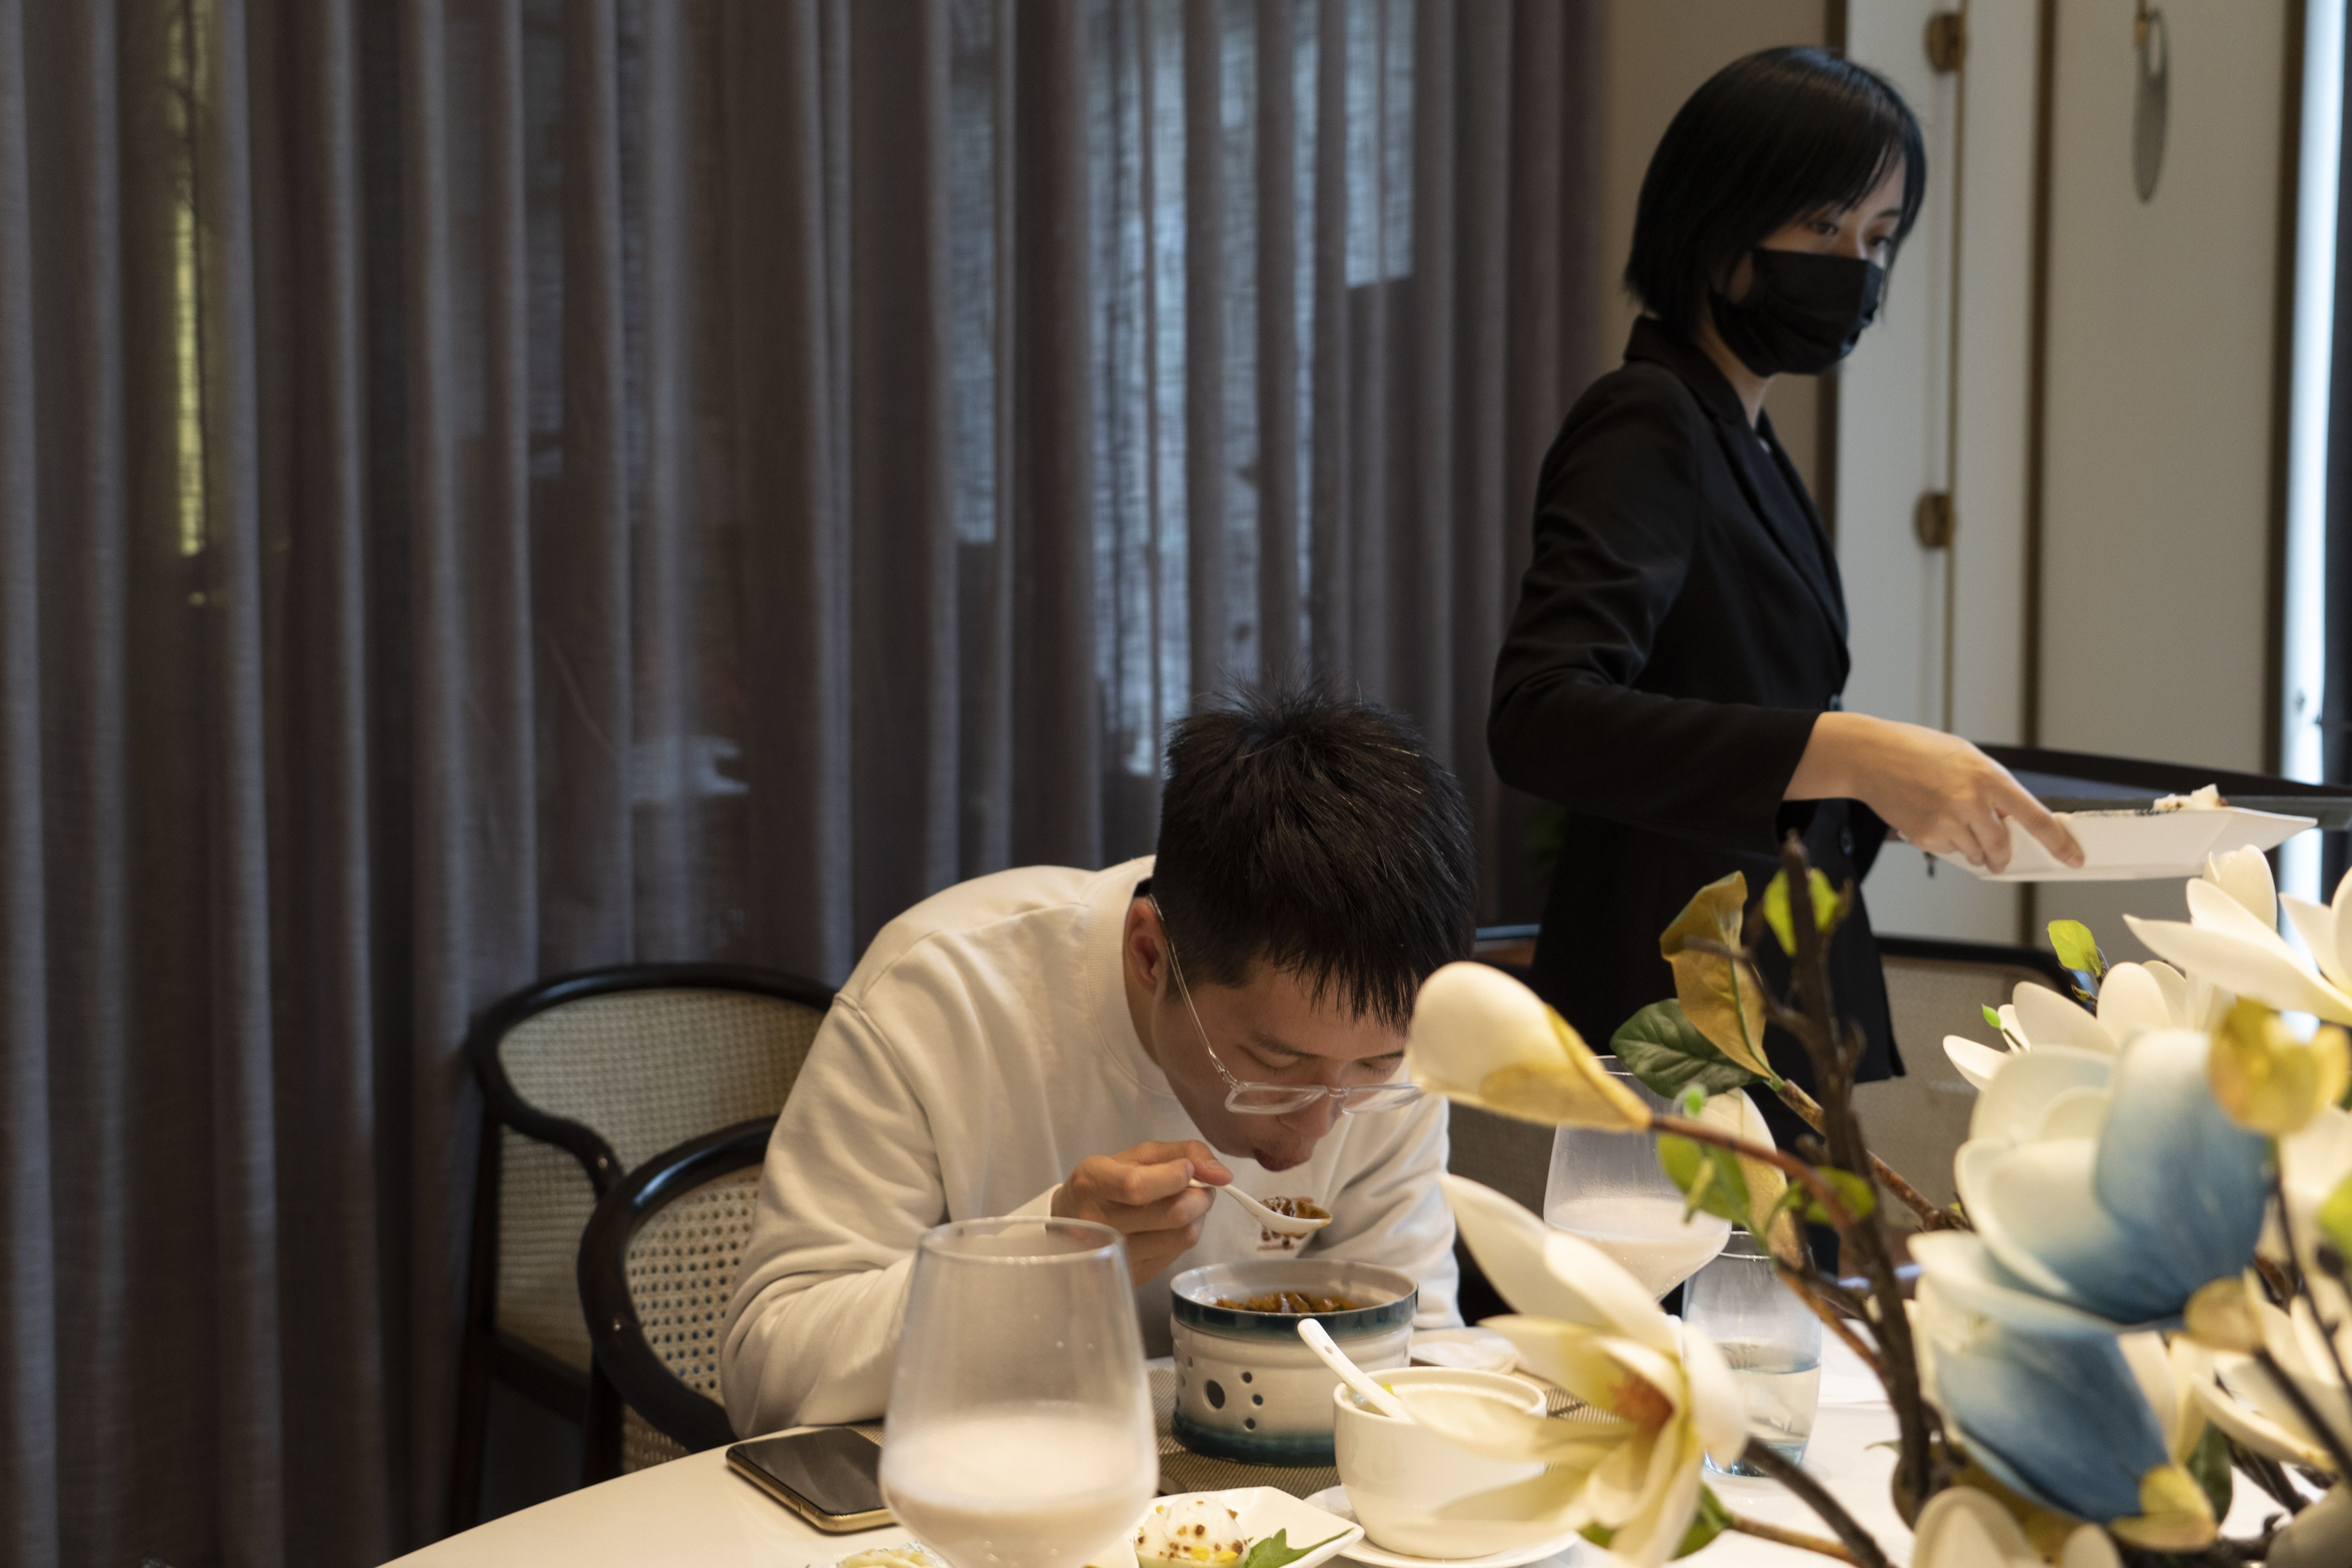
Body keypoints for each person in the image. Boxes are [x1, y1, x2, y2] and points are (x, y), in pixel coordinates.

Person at [1487, 48, 2083, 1146]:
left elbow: (1740, 718)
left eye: (1880, 238)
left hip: (1769, 1001)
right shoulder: (1649, 419)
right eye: (1823, 227)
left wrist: (1901, 790)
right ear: (1716, 223)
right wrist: (1853, 751)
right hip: (1679, 1020)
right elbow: (1542, 715)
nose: (1857, 268)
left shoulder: (1742, 436)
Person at [721, 685, 1474, 1434]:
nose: (1316, 1130)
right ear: (1150, 955)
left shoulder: (1393, 1051)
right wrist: (1040, 1258)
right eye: (1274, 1065)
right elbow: (769, 1376)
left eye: (1376, 1067)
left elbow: (1421, 1354)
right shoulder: (943, 993)